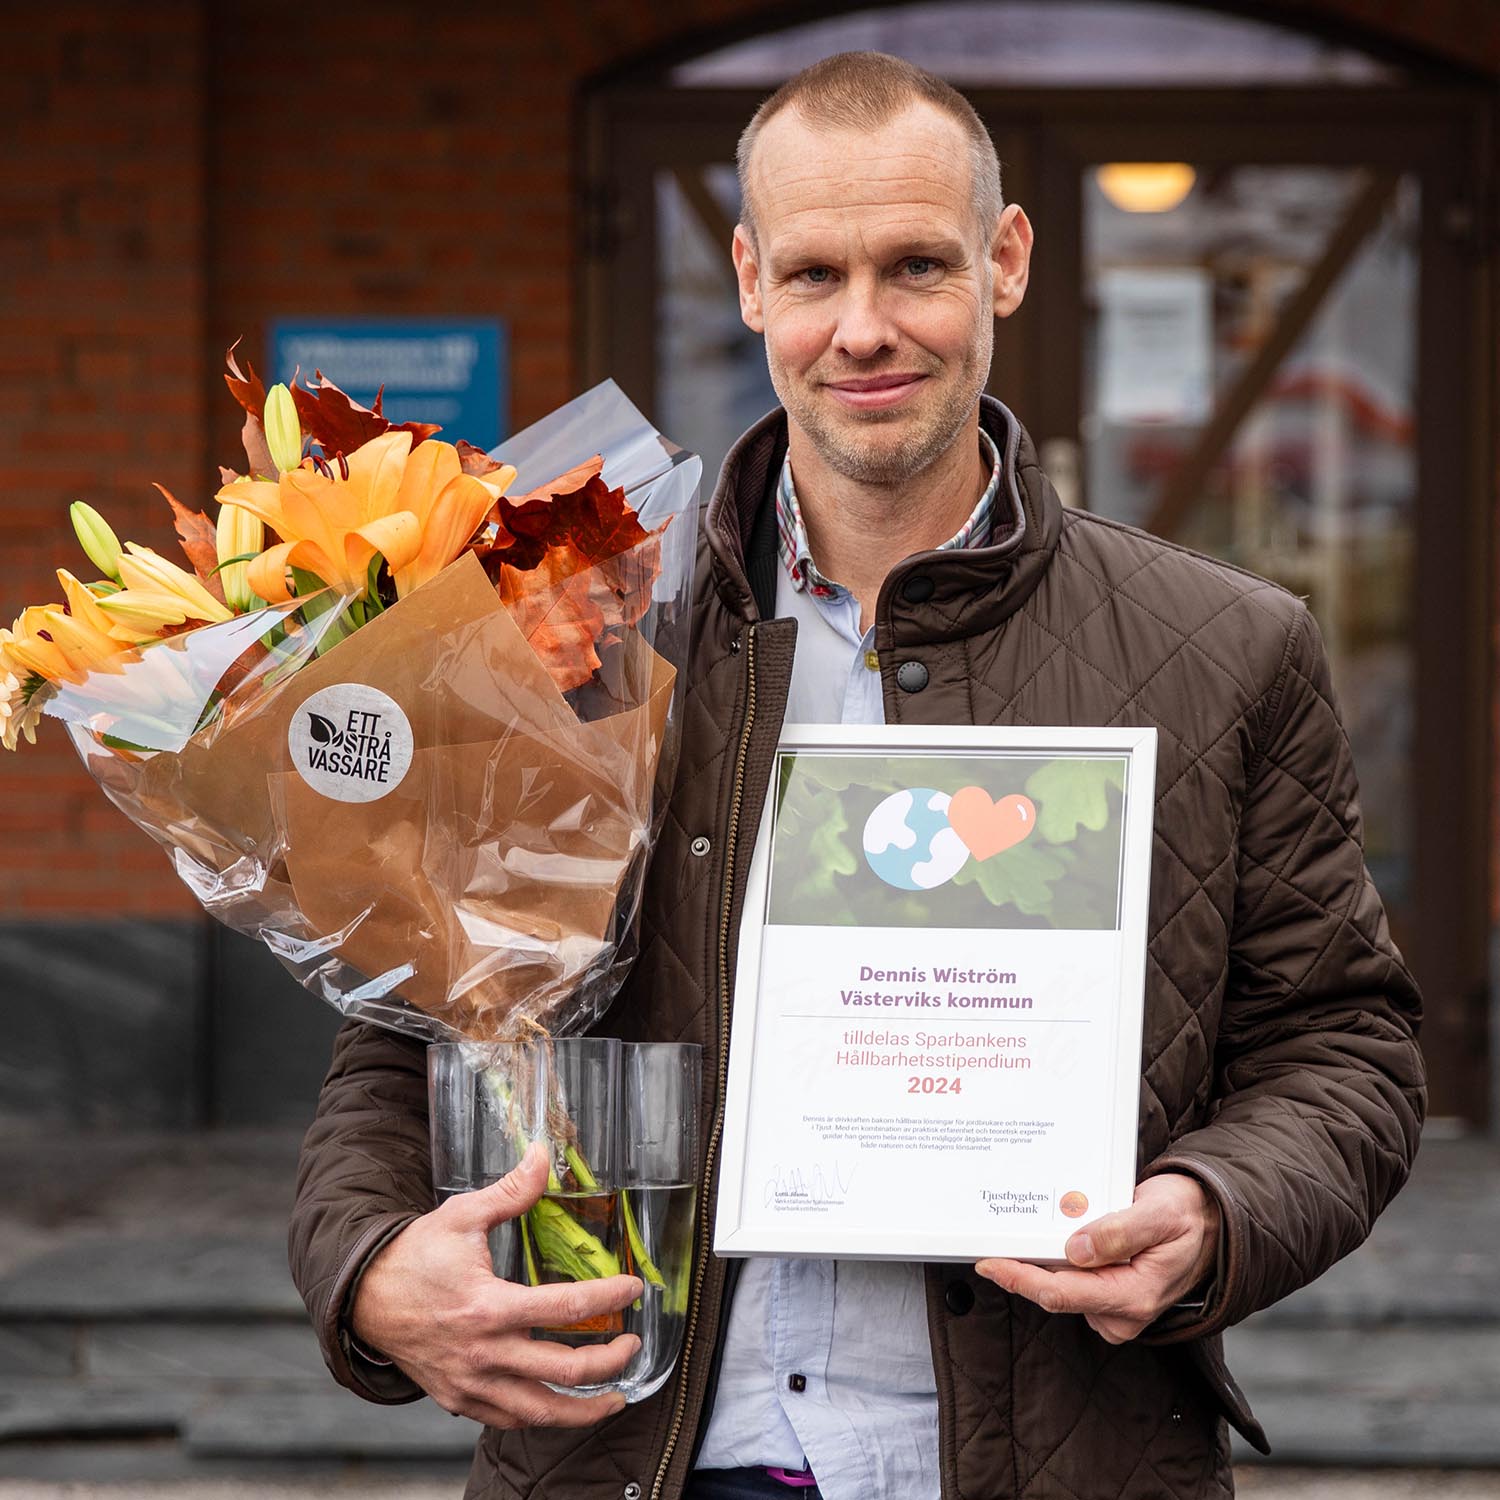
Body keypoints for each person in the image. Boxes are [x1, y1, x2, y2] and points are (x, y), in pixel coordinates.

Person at [289, 51, 1425, 1500]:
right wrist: (371, 1265)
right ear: (751, 280)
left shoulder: (1228, 652)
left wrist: (1217, 1206)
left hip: (1052, 1458)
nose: (865, 329)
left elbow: (1347, 1049)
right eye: (817, 274)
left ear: (1005, 264)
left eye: (917, 267)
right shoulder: (567, 632)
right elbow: (401, 1030)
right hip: (636, 1455)